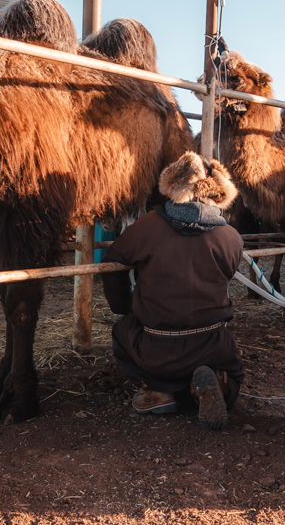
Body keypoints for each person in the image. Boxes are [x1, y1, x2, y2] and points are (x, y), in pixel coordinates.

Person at [101, 152, 245, 430]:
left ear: (172, 186)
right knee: (234, 372)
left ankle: (159, 391)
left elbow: (112, 264)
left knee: (122, 331)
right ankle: (210, 383)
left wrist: (125, 308)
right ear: (217, 191)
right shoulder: (231, 237)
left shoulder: (146, 228)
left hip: (158, 348)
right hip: (216, 344)